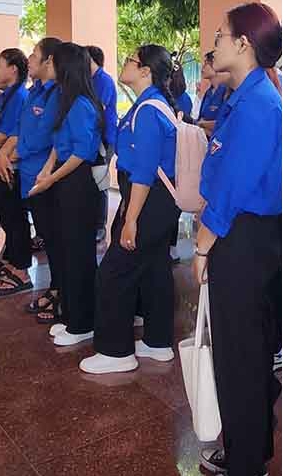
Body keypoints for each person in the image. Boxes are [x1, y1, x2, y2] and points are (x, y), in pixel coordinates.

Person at [194, 2, 282, 476]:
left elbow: (235, 182)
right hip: (242, 232)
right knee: (240, 350)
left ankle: (248, 461)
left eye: (220, 35)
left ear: (243, 43)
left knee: (241, 353)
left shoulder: (258, 103)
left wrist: (204, 241)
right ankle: (248, 449)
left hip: (243, 236)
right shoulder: (247, 95)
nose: (213, 44)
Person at [81, 44, 182, 374]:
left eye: (130, 60)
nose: (123, 63)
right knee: (154, 269)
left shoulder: (150, 110)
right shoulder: (149, 105)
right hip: (151, 200)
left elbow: (144, 171)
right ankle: (157, 342)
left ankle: (115, 351)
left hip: (150, 201)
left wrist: (131, 219)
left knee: (114, 272)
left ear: (145, 71)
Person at [28, 42, 104, 346]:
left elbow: (82, 153)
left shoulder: (83, 104)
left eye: (54, 62)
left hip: (77, 183)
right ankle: (71, 316)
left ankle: (84, 322)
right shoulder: (65, 100)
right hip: (63, 179)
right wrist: (46, 171)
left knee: (79, 255)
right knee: (66, 252)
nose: (49, 66)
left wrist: (51, 179)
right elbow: (60, 145)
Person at [2, 38, 64, 324]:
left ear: (49, 61)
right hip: (27, 174)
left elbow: (45, 135)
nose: (30, 58)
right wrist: (10, 151)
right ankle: (56, 288)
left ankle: (60, 291)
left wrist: (17, 154)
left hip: (44, 177)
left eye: (35, 54)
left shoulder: (57, 94)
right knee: (46, 234)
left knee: (54, 237)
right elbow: (21, 127)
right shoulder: (35, 92)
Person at [0, 49, 34, 296]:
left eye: (0, 64)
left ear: (13, 69)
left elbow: (6, 135)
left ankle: (21, 270)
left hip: (10, 165)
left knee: (15, 217)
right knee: (7, 216)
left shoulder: (20, 97)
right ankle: (11, 260)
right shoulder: (5, 96)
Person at [89, 45, 118, 244]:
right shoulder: (89, 80)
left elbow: (99, 108)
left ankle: (100, 225)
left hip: (104, 138)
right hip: (92, 138)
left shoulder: (104, 80)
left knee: (100, 181)